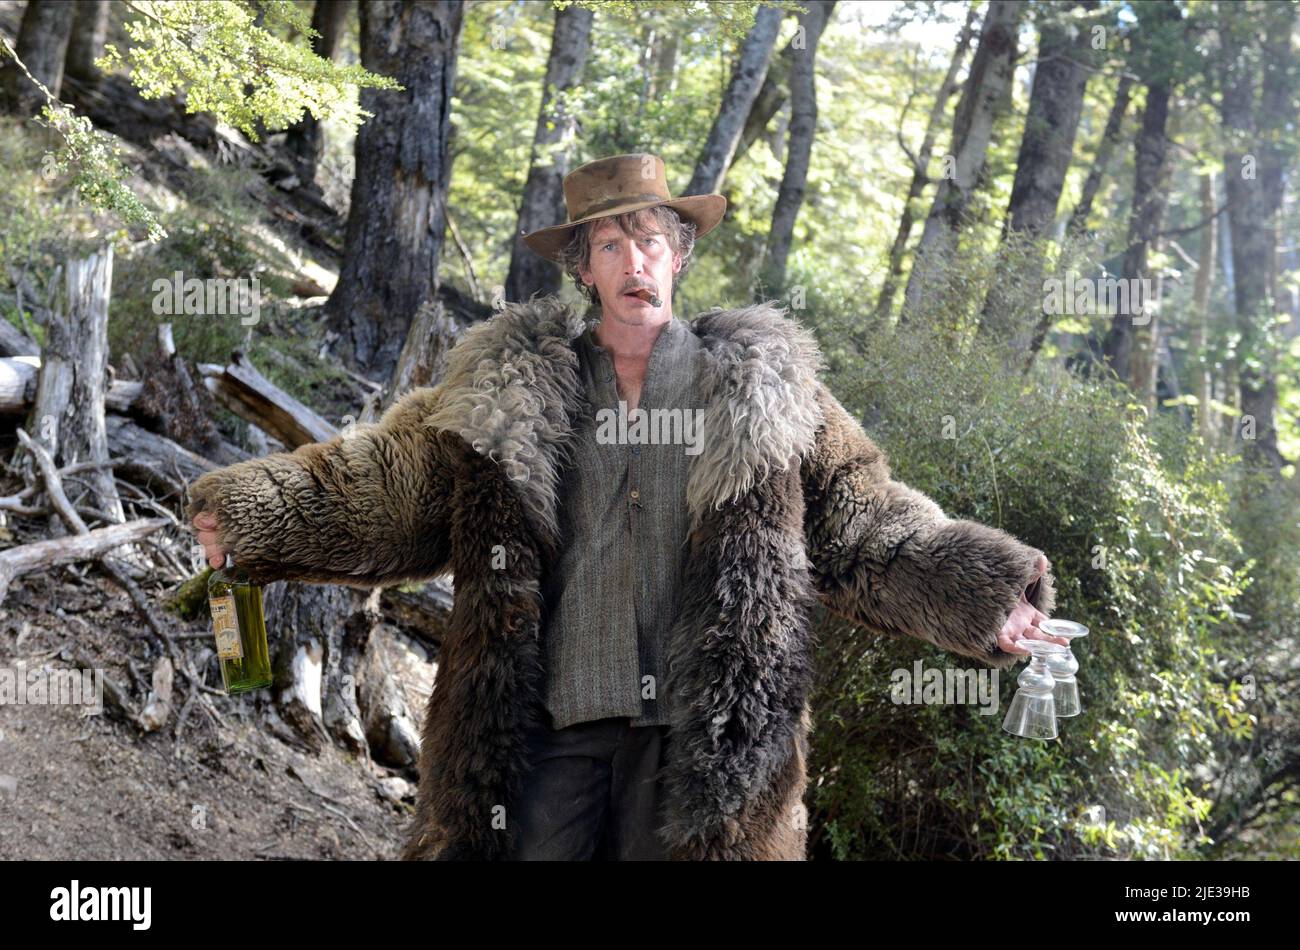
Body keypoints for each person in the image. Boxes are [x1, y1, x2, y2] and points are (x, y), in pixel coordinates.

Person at [189, 153, 1062, 861]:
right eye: (609, 245)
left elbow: (871, 525)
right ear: (583, 269)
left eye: (649, 238)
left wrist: (990, 597)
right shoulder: (510, 392)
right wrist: (253, 515)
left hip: (701, 744)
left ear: (679, 253)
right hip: (547, 735)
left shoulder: (766, 397)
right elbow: (382, 487)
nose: (633, 259)